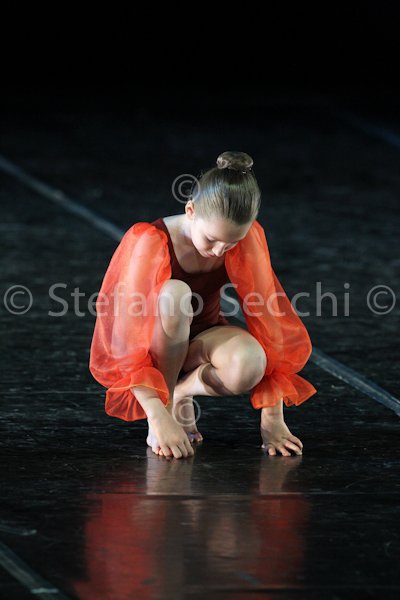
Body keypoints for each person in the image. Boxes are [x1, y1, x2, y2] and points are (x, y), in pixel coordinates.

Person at [89, 151, 317, 459]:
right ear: (191, 210)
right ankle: (168, 401)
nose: (220, 250)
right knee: (174, 293)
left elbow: (268, 320)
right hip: (155, 347)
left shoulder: (248, 237)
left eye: (231, 243)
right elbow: (124, 343)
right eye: (211, 239)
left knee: (251, 362)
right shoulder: (150, 240)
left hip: (203, 337)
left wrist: (273, 418)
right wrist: (157, 416)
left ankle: (183, 392)